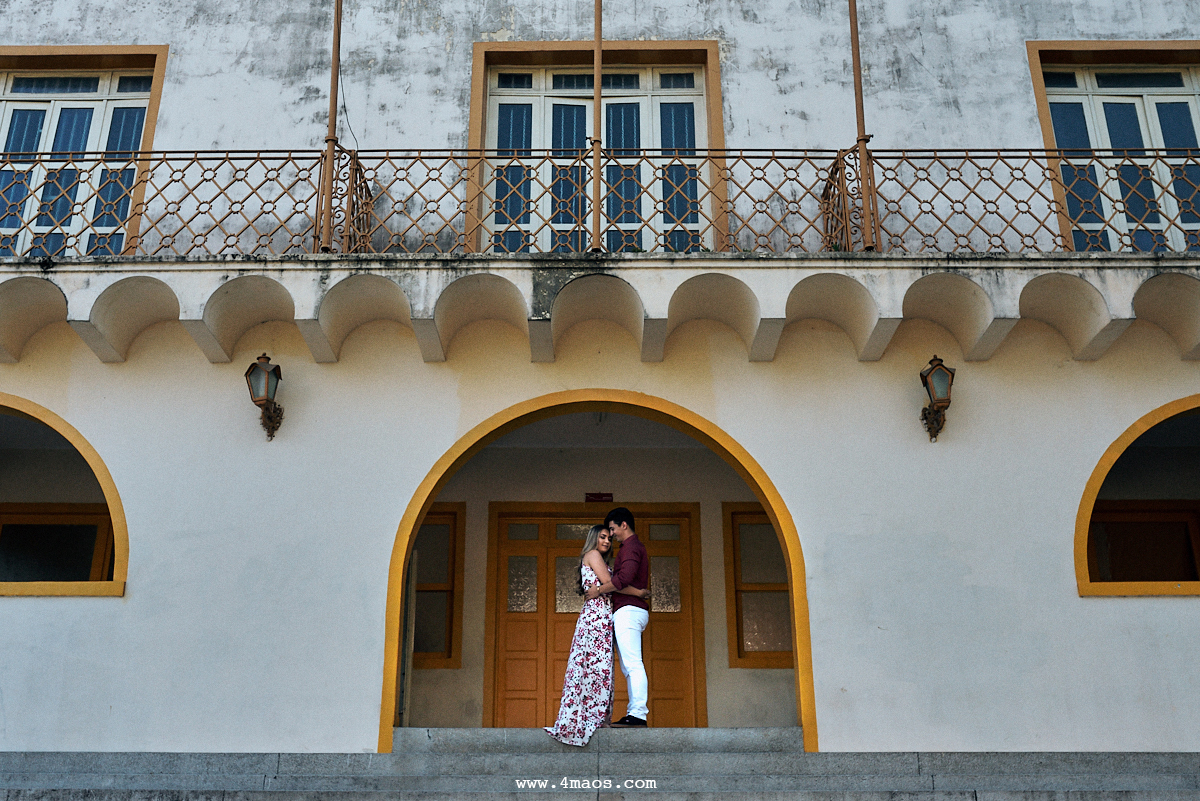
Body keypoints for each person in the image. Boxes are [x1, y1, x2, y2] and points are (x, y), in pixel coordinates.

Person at [545, 524, 647, 746]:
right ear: (593, 538)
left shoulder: (598, 558)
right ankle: (589, 719)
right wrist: (638, 592)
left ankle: (594, 718)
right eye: (602, 537)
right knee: (594, 668)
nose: (607, 542)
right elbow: (613, 585)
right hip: (596, 618)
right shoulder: (592, 555)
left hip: (601, 618)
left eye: (609, 538)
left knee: (598, 670)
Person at [586, 506, 649, 727]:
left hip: (629, 610)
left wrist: (599, 590)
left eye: (612, 529)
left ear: (624, 525)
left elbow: (623, 580)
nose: (611, 534)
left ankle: (638, 714)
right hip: (630, 609)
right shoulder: (630, 547)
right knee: (629, 666)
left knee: (632, 664)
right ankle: (635, 713)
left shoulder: (631, 548)